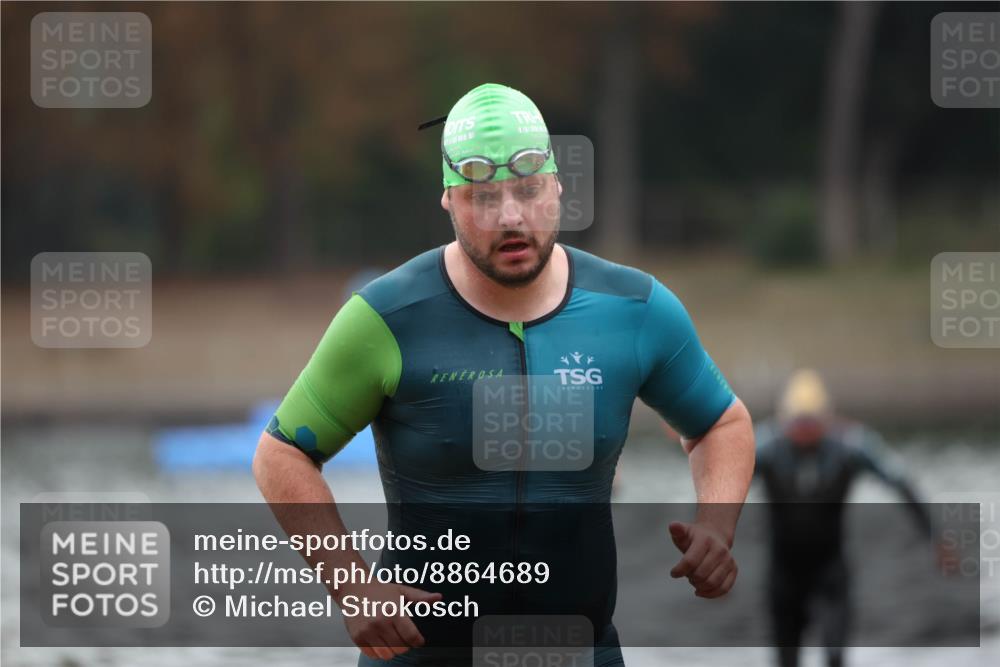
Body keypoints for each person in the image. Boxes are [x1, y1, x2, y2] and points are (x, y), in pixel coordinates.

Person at [252, 82, 755, 666]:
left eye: (528, 190)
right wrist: (351, 583)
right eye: (483, 197)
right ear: (448, 201)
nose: (511, 216)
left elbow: (720, 423)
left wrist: (717, 524)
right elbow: (281, 454)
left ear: (558, 186)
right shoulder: (385, 318)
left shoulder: (635, 310)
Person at [754, 369, 944, 667]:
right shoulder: (764, 446)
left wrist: (935, 537)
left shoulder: (851, 446)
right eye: (797, 423)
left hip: (830, 572)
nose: (804, 431)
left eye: (811, 422)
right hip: (784, 574)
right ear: (784, 420)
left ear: (827, 419)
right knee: (785, 660)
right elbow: (725, 485)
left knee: (835, 657)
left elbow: (900, 481)